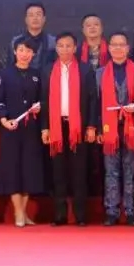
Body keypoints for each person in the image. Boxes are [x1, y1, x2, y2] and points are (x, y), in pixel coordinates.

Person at [41, 32, 97, 226]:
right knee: (58, 172)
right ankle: (60, 215)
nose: (64, 49)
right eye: (61, 46)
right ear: (56, 48)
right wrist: (45, 128)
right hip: (56, 126)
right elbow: (43, 101)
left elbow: (93, 99)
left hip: (78, 126)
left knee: (79, 172)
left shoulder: (85, 69)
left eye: (68, 46)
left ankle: (80, 215)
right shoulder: (47, 70)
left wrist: (91, 126)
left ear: (75, 48)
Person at [0, 38, 44, 227]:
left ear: (33, 54)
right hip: (11, 129)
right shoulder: (5, 74)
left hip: (31, 129)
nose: (25, 54)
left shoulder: (37, 75)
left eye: (28, 51)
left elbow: (41, 99)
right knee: (13, 169)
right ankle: (18, 212)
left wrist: (39, 107)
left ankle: (23, 212)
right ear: (15, 51)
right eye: (21, 50)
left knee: (29, 169)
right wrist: (4, 120)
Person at [96, 32, 134, 226]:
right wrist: (98, 129)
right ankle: (111, 211)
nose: (118, 48)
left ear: (128, 48)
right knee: (110, 171)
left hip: (132, 126)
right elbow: (95, 103)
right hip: (109, 128)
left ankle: (131, 211)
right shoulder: (99, 73)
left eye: (122, 44)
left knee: (131, 170)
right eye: (114, 44)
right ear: (108, 48)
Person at [9, 1, 56, 73]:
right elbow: (10, 65)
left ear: (44, 19)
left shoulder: (53, 42)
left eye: (38, 14)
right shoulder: (16, 41)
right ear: (26, 19)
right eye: (31, 15)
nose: (35, 18)